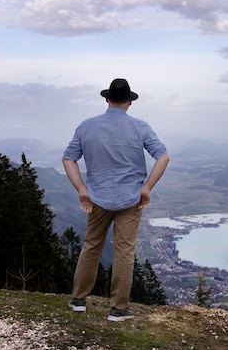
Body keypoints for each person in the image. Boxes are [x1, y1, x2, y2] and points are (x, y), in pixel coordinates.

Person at [62, 78, 170, 322]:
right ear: (130, 102)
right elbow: (163, 157)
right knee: (124, 252)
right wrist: (147, 187)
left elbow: (68, 159)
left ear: (107, 99)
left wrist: (81, 188)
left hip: (97, 198)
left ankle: (78, 299)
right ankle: (118, 309)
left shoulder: (86, 126)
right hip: (130, 199)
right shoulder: (141, 127)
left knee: (92, 246)